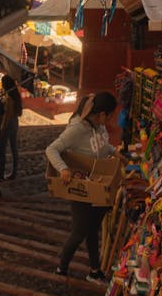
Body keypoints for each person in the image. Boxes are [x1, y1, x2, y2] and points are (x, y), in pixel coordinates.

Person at [45, 90, 117, 283]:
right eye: (109, 115)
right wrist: (63, 169)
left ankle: (94, 271)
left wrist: (115, 152)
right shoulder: (77, 129)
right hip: (81, 188)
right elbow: (51, 149)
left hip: (99, 185)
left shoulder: (99, 127)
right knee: (79, 231)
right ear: (101, 114)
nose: (110, 119)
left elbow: (102, 147)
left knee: (93, 229)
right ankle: (62, 268)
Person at [0, 75, 22, 180]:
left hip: (8, 123)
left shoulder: (9, 99)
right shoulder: (16, 96)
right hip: (15, 122)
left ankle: (1, 174)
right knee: (13, 148)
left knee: (2, 148)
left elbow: (6, 117)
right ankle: (14, 172)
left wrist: (2, 129)